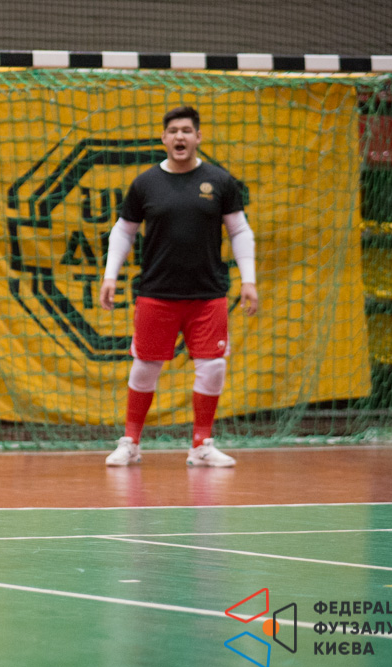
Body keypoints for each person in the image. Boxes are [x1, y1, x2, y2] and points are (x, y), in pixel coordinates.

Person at [98, 105, 258, 468]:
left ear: (198, 137)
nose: (180, 136)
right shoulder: (145, 184)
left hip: (208, 294)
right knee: (145, 366)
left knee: (213, 367)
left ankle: (202, 444)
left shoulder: (220, 181)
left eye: (186, 130)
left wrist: (248, 280)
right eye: (173, 131)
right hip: (156, 293)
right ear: (164, 138)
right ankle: (131, 442)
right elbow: (123, 231)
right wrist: (110, 275)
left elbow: (239, 231)